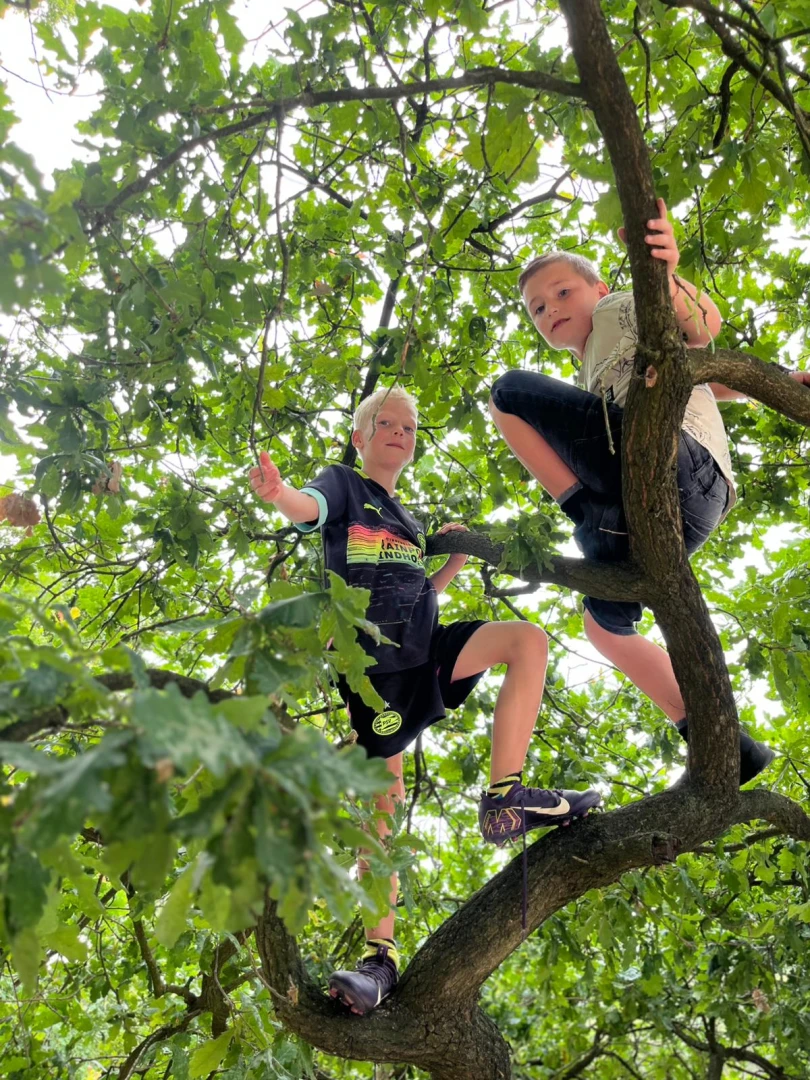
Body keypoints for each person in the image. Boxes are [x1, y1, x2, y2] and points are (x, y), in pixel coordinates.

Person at [249, 385, 601, 1014]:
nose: (400, 433)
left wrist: (453, 563)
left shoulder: (407, 521)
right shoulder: (343, 486)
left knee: (525, 642)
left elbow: (416, 584)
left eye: (410, 428)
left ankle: (505, 797)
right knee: (381, 808)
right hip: (376, 668)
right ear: (362, 437)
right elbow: (311, 510)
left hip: (428, 649)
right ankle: (379, 959)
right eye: (387, 423)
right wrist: (281, 496)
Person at [488, 199, 807, 785]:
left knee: (507, 393)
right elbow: (712, 375)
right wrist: (779, 384)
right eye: (536, 308)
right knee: (602, 624)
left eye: (561, 293)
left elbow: (701, 335)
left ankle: (584, 510)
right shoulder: (592, 367)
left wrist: (663, 273)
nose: (549, 310)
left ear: (599, 288)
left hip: (679, 461)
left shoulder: (617, 309)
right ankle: (718, 736)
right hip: (676, 505)